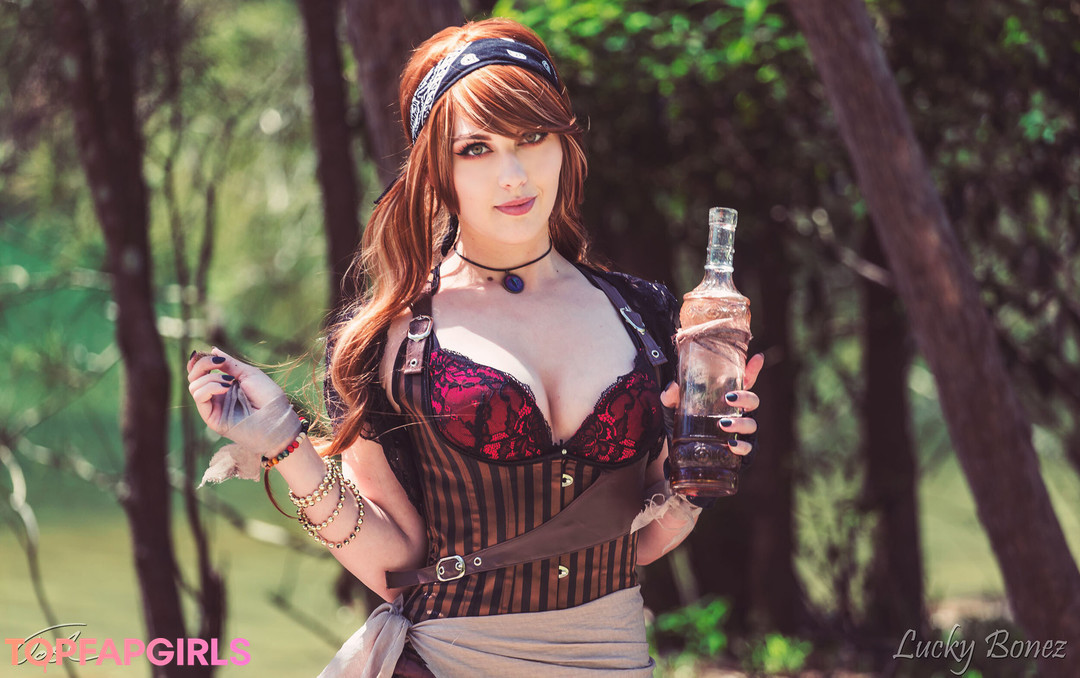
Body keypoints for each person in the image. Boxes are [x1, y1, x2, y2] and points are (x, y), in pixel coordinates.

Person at [186, 17, 763, 677]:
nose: (513, 175)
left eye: (532, 137)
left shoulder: (647, 318)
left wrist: (702, 458)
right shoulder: (388, 342)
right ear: (437, 169)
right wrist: (284, 442)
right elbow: (394, 564)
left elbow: (644, 540)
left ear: (565, 145)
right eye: (476, 149)